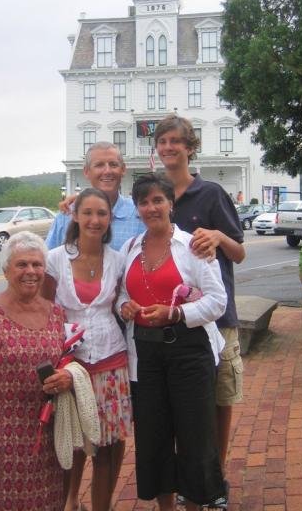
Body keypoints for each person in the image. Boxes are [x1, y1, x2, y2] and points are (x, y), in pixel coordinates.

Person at [119, 173, 227, 511]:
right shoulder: (130, 248)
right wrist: (125, 306)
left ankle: (194, 504)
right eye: (144, 201)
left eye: (157, 200)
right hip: (146, 355)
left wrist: (175, 314)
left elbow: (217, 301)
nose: (151, 207)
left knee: (195, 437)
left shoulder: (193, 247)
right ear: (137, 207)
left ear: (170, 204)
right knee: (153, 437)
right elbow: (123, 293)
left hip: (189, 350)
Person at [154, 114, 245, 510]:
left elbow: (238, 253)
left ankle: (216, 480)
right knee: (185, 410)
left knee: (220, 401)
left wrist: (220, 235)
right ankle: (190, 480)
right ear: (156, 149)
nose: (170, 147)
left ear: (190, 147)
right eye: (163, 141)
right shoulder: (155, 197)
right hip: (173, 328)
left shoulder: (211, 195)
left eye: (177, 141)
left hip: (216, 321)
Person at [0, 231, 73, 511]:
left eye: (37, 264)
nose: (30, 271)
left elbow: (69, 362)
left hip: (46, 444)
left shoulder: (58, 315)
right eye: (22, 264)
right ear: (6, 270)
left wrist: (68, 378)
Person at [43, 188, 132, 511]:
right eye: (88, 213)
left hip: (112, 360)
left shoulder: (118, 259)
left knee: (108, 445)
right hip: (72, 365)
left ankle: (101, 506)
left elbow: (121, 299)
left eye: (102, 214)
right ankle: (69, 503)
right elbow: (45, 310)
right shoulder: (54, 259)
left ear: (109, 219)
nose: (95, 220)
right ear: (76, 216)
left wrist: (126, 307)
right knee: (73, 442)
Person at [45, 141, 145, 252]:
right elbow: (46, 261)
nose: (107, 171)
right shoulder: (67, 214)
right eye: (99, 165)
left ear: (123, 170)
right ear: (87, 171)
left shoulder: (140, 214)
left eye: (113, 164)